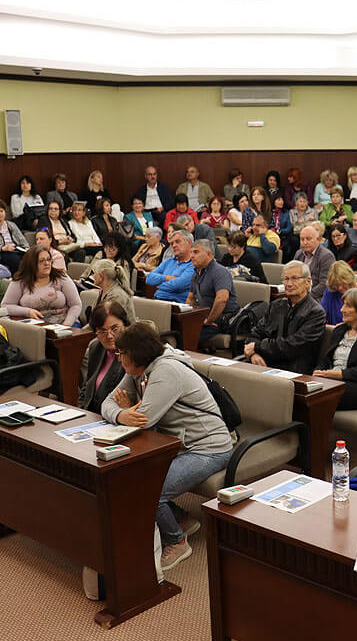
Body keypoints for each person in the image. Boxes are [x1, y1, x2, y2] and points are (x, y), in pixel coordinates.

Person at [103, 322, 234, 570]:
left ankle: (177, 541)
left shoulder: (166, 371)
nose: (118, 358)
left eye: (121, 353)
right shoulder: (138, 369)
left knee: (147, 489)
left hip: (209, 448)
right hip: (178, 446)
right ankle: (182, 519)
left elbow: (144, 420)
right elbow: (107, 402)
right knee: (130, 479)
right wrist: (121, 414)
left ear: (136, 354)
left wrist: (127, 410)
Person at [245, 261, 326, 373]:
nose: (289, 284)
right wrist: (254, 355)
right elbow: (255, 334)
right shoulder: (276, 305)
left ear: (307, 282)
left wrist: (257, 347)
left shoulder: (316, 313)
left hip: (293, 370)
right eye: (286, 279)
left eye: (294, 278)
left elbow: (292, 346)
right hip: (265, 363)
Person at [1, 246, 82, 325]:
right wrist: (28, 312)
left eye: (48, 259)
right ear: (31, 264)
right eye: (41, 261)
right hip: (33, 326)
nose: (47, 263)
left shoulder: (61, 277)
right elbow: (6, 306)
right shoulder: (20, 280)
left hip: (64, 323)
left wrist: (66, 325)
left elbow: (76, 305)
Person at [77, 301, 129, 414]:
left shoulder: (131, 353)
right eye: (102, 331)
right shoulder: (96, 347)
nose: (109, 336)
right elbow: (86, 388)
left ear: (125, 325)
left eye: (115, 329)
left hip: (116, 416)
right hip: (91, 415)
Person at [187, 239, 238, 348]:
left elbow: (222, 299)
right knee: (179, 328)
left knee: (188, 336)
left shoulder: (220, 272)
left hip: (221, 319)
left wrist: (209, 320)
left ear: (208, 254)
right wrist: (187, 316)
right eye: (191, 252)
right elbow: (190, 298)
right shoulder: (196, 273)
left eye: (196, 252)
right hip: (203, 315)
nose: (191, 256)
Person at [320, 261, 357, 325]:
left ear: (349, 279)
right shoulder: (330, 292)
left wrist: (344, 327)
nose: (339, 288)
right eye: (336, 285)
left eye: (343, 284)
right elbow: (321, 316)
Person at [145, 229, 194, 303]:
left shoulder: (193, 264)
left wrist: (158, 286)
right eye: (172, 243)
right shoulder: (169, 261)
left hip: (175, 303)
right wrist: (167, 278)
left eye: (177, 242)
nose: (174, 245)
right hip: (157, 299)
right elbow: (149, 278)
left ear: (189, 243)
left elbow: (178, 285)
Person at [88, 258, 136, 326]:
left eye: (94, 273)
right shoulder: (103, 291)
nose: (93, 276)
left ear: (101, 276)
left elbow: (111, 324)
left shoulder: (117, 295)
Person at [293, 224, 335, 298]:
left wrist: (305, 297)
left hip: (318, 297)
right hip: (299, 294)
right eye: (302, 239)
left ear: (318, 240)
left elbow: (324, 284)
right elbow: (293, 276)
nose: (305, 242)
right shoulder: (299, 254)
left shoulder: (326, 256)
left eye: (308, 239)